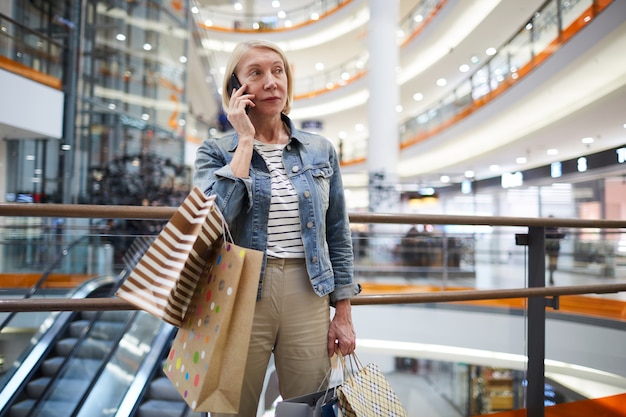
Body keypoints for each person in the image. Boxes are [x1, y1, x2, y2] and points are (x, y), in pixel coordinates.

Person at [193, 39, 361, 416]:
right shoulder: (215, 151)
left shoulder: (319, 149)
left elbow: (337, 232)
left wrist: (344, 312)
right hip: (237, 292)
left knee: (307, 407)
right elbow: (212, 221)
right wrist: (245, 141)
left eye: (278, 70)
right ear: (236, 90)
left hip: (308, 290)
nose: (271, 82)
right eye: (256, 73)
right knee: (230, 407)